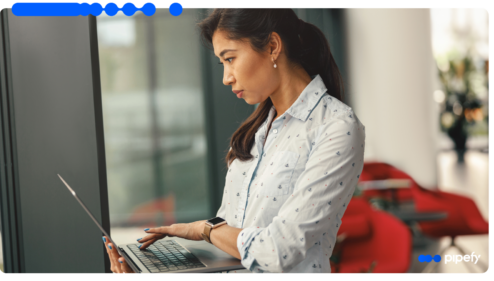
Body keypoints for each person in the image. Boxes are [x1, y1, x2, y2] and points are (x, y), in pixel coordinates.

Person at [104, 8, 365, 273]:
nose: (226, 77)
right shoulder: (254, 131)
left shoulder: (337, 127)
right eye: (222, 63)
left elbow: (278, 249)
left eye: (230, 59)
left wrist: (204, 229)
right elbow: (229, 240)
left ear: (273, 46)